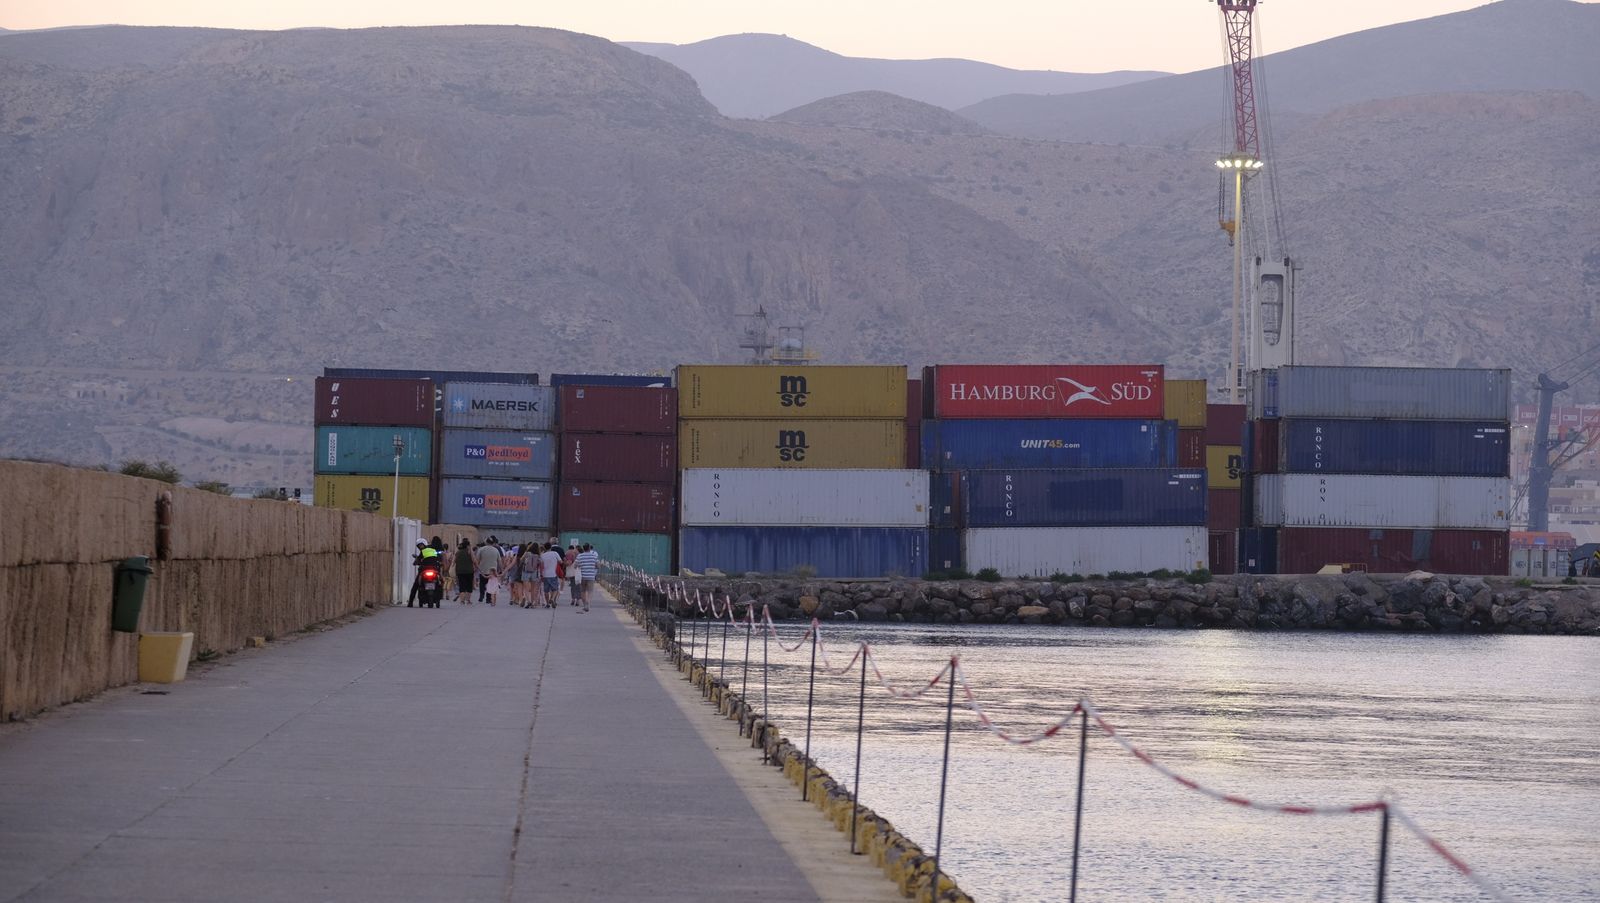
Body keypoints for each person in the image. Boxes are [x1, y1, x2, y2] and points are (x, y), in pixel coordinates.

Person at [474, 539, 502, 605]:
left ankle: (481, 595)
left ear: (486, 542)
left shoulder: (481, 549)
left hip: (483, 569)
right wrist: (501, 569)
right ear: (492, 543)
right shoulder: (496, 550)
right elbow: (499, 561)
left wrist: (476, 567)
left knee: (482, 583)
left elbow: (477, 560)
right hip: (493, 571)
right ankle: (488, 599)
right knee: (490, 585)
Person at [574, 543, 599, 613]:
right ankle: (588, 603)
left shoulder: (580, 556)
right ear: (589, 548)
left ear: (583, 548)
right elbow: (598, 566)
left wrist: (580, 565)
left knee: (583, 591)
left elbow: (575, 566)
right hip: (591, 576)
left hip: (582, 576)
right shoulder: (594, 556)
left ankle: (585, 604)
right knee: (590, 591)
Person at [540, 542, 564, 608]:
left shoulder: (542, 555)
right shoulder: (555, 553)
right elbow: (561, 562)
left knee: (546, 591)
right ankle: (552, 599)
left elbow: (541, 566)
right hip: (553, 574)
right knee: (555, 589)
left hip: (545, 575)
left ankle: (547, 603)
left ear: (545, 547)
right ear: (551, 547)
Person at [406, 540, 428, 607]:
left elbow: (417, 560)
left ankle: (410, 602)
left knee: (415, 586)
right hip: (432, 570)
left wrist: (416, 561)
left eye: (421, 545)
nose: (421, 547)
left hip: (423, 571)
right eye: (419, 546)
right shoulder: (432, 551)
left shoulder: (423, 552)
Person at [453, 538, 475, 604]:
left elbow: (453, 562)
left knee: (462, 586)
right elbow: (474, 560)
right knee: (469, 586)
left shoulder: (458, 552)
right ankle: (468, 600)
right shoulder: (470, 552)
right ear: (468, 546)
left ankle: (462, 601)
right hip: (469, 571)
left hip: (460, 571)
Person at [519, 543, 539, 608]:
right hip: (534, 571)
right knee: (533, 589)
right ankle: (533, 603)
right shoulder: (538, 555)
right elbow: (540, 562)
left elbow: (521, 559)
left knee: (526, 588)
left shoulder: (527, 553)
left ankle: (529, 601)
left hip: (526, 571)